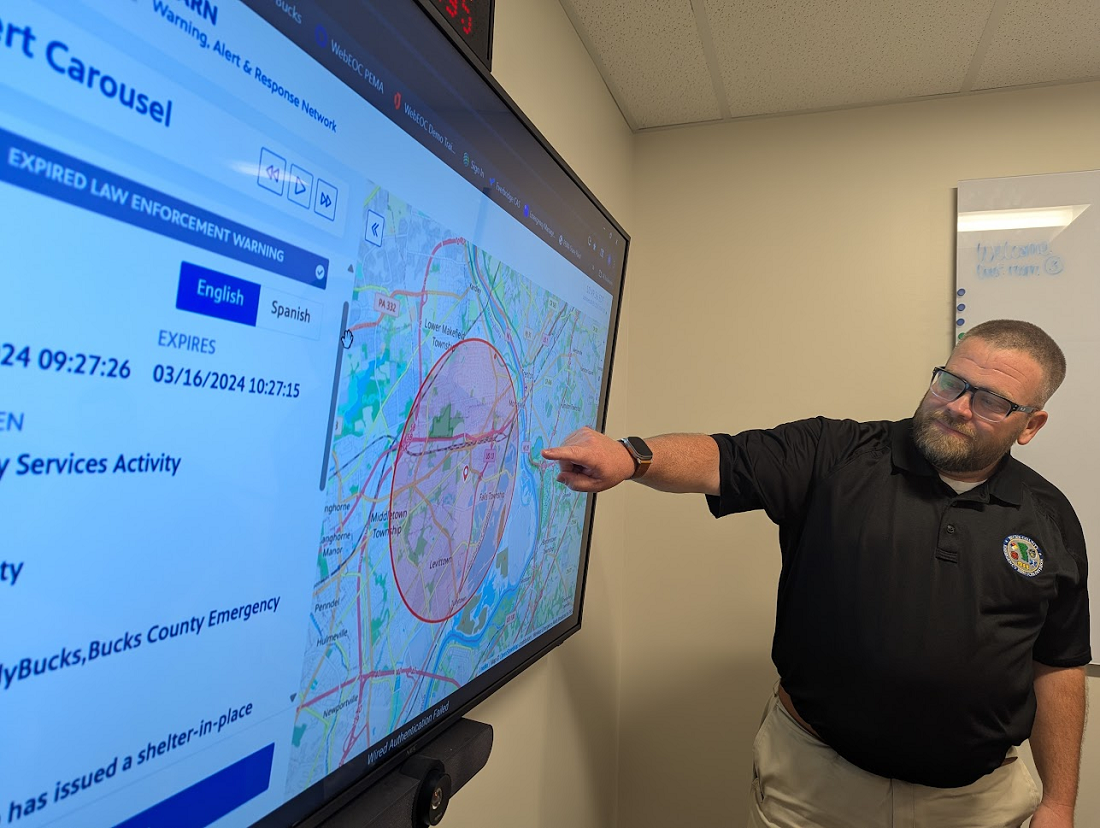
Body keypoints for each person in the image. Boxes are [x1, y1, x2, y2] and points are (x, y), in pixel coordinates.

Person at [542, 320, 1089, 828]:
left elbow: (1059, 663)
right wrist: (631, 457)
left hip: (976, 806)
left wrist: (1059, 802)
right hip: (816, 789)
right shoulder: (837, 453)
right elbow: (722, 458)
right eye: (951, 382)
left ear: (1030, 425)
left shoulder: (1050, 518)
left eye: (991, 400)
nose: (958, 407)